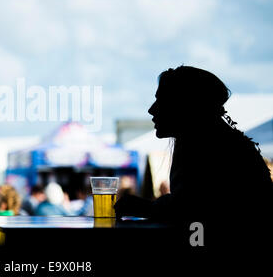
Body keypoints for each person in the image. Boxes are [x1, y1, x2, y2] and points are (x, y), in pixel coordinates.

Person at [114, 66, 272, 248]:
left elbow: (192, 209)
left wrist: (147, 207)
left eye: (161, 100)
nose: (152, 110)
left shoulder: (209, 146)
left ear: (184, 105)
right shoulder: (215, 141)